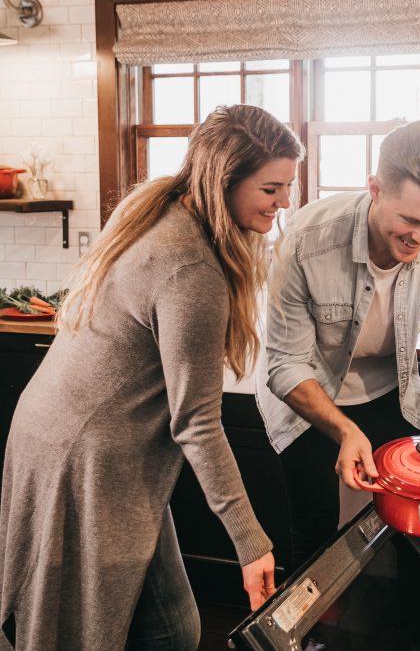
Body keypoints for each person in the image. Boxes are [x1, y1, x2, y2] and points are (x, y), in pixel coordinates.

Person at [0, 105, 304, 650]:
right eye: (271, 189)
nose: (283, 202)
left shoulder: (163, 209)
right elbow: (198, 425)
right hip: (88, 457)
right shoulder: (191, 267)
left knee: (171, 627)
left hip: (61, 435)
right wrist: (251, 541)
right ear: (223, 179)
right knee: (126, 630)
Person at [258, 119, 420, 570]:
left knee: (415, 528)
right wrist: (345, 431)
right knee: (317, 530)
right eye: (411, 220)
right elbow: (285, 363)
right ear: (375, 188)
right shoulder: (304, 241)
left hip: (392, 391)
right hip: (308, 395)